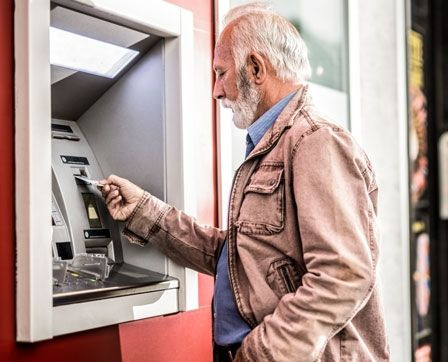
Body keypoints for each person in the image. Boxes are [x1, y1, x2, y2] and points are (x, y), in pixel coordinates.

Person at [100, 3, 389, 361]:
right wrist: (145, 211)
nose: (216, 91)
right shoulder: (271, 146)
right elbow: (236, 257)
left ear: (255, 68)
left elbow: (343, 275)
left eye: (221, 73)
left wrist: (260, 353)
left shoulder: (314, 142)